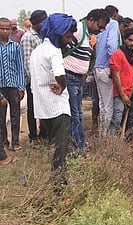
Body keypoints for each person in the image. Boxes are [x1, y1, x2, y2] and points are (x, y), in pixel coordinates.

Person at [30, 13, 77, 194]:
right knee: (60, 152)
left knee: (57, 149)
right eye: (67, 35)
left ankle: (58, 184)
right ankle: (59, 189)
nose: (70, 39)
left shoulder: (38, 51)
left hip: (43, 108)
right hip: (58, 109)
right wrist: (62, 86)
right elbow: (59, 73)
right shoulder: (54, 52)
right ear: (57, 34)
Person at [63, 9, 109, 153]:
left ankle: (79, 142)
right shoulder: (77, 30)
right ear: (90, 20)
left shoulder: (89, 35)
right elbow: (62, 50)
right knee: (74, 114)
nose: (100, 30)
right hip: (69, 77)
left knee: (79, 114)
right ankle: (77, 147)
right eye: (99, 26)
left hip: (78, 78)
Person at [20, 9, 48, 148]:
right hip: (33, 81)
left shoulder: (42, 36)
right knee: (32, 108)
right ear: (37, 23)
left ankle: (43, 134)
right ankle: (33, 136)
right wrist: (35, 82)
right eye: (43, 22)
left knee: (43, 107)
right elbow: (27, 63)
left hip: (43, 80)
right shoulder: (28, 38)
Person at [108, 29, 133, 141]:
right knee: (117, 117)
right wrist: (122, 95)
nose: (132, 43)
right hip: (121, 92)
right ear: (125, 40)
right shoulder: (118, 54)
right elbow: (115, 76)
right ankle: (110, 143)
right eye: (130, 40)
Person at [94, 5, 120, 134]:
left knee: (102, 103)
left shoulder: (100, 26)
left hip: (97, 67)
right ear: (114, 15)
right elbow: (111, 44)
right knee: (109, 105)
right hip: (107, 67)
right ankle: (105, 135)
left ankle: (101, 132)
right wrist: (113, 64)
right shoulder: (113, 24)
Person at [0, 17, 25, 152]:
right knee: (1, 117)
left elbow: (20, 67)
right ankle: (4, 142)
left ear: (11, 29)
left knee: (15, 115)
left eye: (7, 28)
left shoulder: (15, 46)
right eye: (1, 28)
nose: (4, 31)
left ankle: (15, 142)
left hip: (14, 87)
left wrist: (21, 88)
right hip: (1, 88)